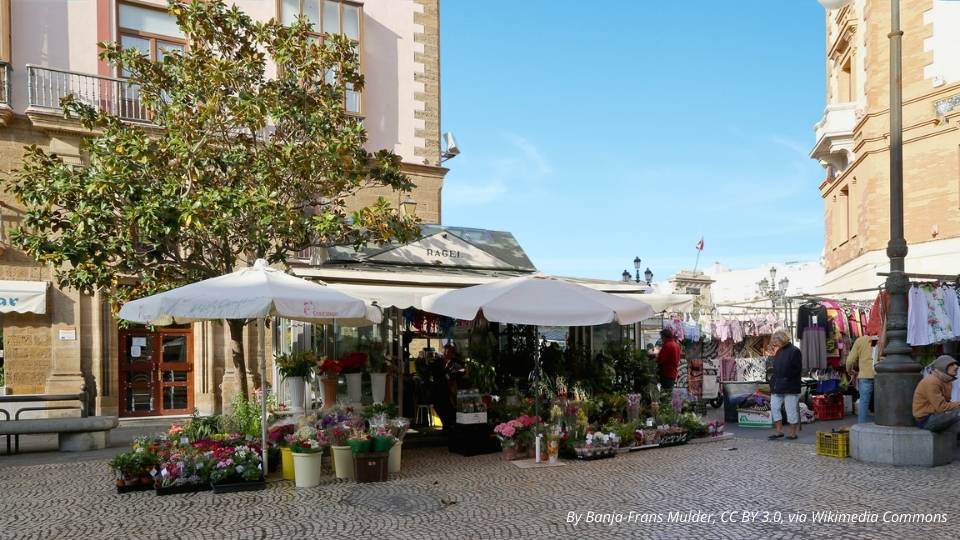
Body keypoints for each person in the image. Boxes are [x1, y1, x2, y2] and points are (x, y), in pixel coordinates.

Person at [768, 329, 803, 440]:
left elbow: (797, 370)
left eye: (775, 340)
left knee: (790, 410)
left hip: (790, 386)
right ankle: (779, 431)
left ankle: (792, 433)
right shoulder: (779, 351)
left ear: (781, 339)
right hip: (778, 385)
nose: (774, 342)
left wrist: (785, 377)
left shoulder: (795, 351)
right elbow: (776, 368)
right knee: (774, 407)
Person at [912, 355, 960, 432]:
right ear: (943, 366)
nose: (956, 367)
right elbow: (941, 407)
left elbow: (946, 403)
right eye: (951, 364)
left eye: (956, 364)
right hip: (926, 420)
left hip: (938, 415)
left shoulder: (947, 381)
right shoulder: (932, 381)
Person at [846, 334, 879, 424]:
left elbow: (850, 360)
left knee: (864, 403)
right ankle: (881, 425)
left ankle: (862, 426)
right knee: (880, 402)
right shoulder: (882, 339)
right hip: (880, 375)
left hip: (865, 376)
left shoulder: (860, 341)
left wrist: (849, 371)